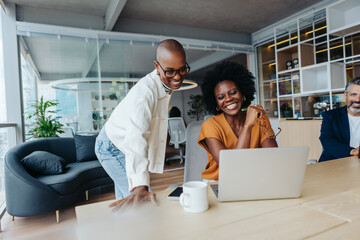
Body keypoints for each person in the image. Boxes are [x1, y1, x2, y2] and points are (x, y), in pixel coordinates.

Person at [95, 39, 190, 208]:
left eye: (182, 69)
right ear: (156, 66)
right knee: (142, 203)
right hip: (112, 146)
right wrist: (140, 186)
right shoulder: (145, 93)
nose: (177, 77)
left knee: (126, 205)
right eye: (170, 71)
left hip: (119, 143)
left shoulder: (164, 84)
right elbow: (136, 136)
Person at [198, 61, 278, 180]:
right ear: (216, 103)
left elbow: (272, 158)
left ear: (242, 93)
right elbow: (231, 168)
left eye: (233, 92)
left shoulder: (259, 118)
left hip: (254, 178)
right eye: (221, 97)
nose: (229, 99)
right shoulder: (210, 126)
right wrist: (248, 125)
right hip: (219, 182)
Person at [319, 77, 360, 162]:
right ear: (345, 95)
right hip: (334, 163)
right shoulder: (331, 116)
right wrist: (352, 151)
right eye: (353, 94)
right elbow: (326, 140)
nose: (357, 100)